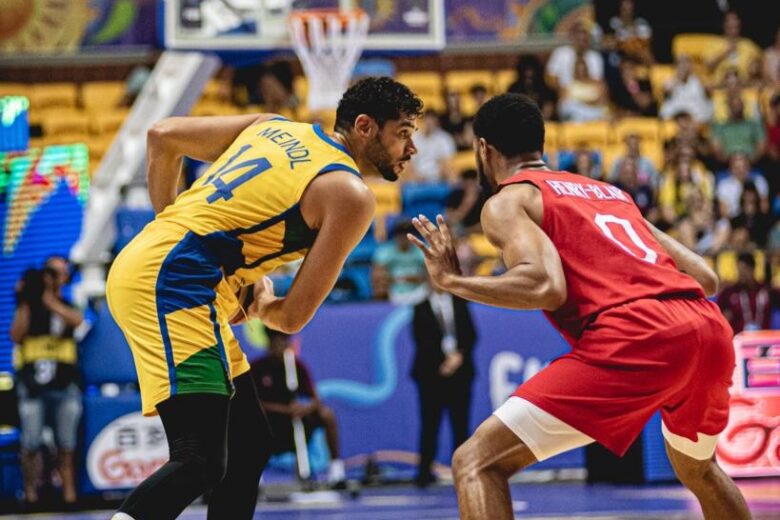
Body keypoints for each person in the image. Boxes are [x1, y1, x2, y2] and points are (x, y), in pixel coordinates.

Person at [407, 93, 751, 520]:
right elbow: (706, 277)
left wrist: (452, 281)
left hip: (638, 333)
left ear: (484, 148)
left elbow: (544, 284)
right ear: (540, 143)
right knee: (700, 469)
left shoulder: (509, 201)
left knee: (476, 461)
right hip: (705, 326)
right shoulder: (608, 192)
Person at [105, 76, 422, 520]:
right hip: (175, 282)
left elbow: (162, 136)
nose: (412, 150)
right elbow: (291, 318)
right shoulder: (349, 194)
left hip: (167, 268)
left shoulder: (274, 126)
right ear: (365, 126)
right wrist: (260, 300)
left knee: (250, 443)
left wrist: (179, 233)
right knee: (199, 459)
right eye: (403, 133)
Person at [10, 256, 85, 507]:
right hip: (32, 384)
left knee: (67, 443)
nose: (55, 277)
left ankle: (69, 496)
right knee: (30, 442)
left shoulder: (69, 301)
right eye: (51, 272)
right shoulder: (28, 306)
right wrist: (25, 300)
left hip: (65, 383)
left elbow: (77, 321)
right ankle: (30, 495)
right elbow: (16, 335)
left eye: (61, 273)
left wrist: (50, 301)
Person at [250, 329, 346, 486]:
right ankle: (253, 476)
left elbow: (316, 400)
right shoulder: (256, 367)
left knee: (327, 415)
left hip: (296, 422)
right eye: (275, 341)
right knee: (248, 419)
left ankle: (336, 471)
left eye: (283, 341)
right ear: (268, 343)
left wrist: (304, 409)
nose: (278, 346)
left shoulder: (296, 367)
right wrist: (284, 410)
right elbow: (251, 402)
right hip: (269, 424)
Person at [411, 289, 477, 487]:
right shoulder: (420, 307)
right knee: (430, 424)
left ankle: (463, 470)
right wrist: (442, 362)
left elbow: (471, 334)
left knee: (460, 424)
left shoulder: (460, 303)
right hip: (431, 375)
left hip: (461, 373)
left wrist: (458, 356)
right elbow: (420, 339)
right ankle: (424, 471)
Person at [718, 253, 780, 333]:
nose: (741, 273)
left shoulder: (767, 290)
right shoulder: (729, 293)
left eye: (745, 269)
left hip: (764, 340)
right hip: (738, 341)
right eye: (739, 270)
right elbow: (721, 319)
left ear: (752, 269)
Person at [371, 220, 429, 304]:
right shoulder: (385, 252)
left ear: (413, 236)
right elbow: (378, 276)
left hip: (420, 292)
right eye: (400, 234)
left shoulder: (422, 250)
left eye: (407, 235)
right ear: (395, 236)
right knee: (379, 283)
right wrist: (405, 279)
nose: (403, 238)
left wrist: (419, 278)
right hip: (393, 292)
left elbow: (431, 275)